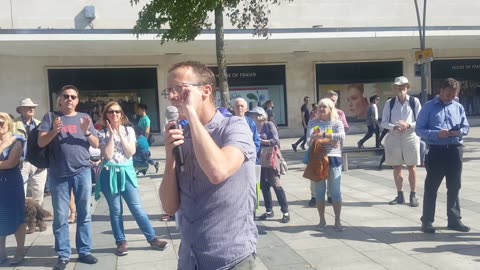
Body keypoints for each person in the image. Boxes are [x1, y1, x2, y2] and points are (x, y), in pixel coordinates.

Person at [160, 61, 258, 269]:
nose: (172, 96)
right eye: (168, 91)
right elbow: (169, 207)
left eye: (179, 89)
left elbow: (217, 171)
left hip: (230, 259)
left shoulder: (235, 127)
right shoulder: (181, 136)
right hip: (189, 259)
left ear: (205, 91)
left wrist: (192, 115)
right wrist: (170, 157)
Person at [38, 85, 99, 270]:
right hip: (58, 174)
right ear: (60, 99)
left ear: (78, 100)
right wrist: (54, 131)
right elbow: (41, 142)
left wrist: (87, 131)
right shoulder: (51, 117)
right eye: (66, 96)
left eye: (73, 96)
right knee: (61, 216)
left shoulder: (85, 118)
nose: (69, 99)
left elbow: (96, 144)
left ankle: (84, 251)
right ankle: (63, 254)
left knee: (84, 214)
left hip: (82, 172)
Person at [96, 101, 168, 256]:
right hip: (109, 173)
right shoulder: (101, 133)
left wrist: (120, 134)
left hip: (127, 172)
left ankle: (152, 238)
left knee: (137, 208)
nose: (114, 114)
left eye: (117, 112)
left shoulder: (129, 130)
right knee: (115, 210)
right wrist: (110, 136)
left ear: (121, 114)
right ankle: (121, 242)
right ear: (106, 115)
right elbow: (107, 155)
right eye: (110, 112)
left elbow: (130, 152)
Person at [416, 78, 471, 233]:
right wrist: (436, 134)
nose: (450, 98)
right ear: (440, 91)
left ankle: (454, 220)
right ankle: (427, 221)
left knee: (454, 186)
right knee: (432, 187)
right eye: (448, 94)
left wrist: (459, 131)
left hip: (454, 150)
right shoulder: (428, 107)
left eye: (453, 95)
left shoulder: (458, 107)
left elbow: (466, 126)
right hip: (436, 150)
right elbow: (419, 130)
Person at [380, 76, 422, 207]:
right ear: (395, 88)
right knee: (396, 167)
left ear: (408, 87)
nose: (401, 88)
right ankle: (400, 195)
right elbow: (384, 122)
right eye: (398, 86)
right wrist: (394, 127)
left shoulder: (414, 102)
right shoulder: (390, 103)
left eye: (404, 86)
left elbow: (420, 121)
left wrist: (408, 125)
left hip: (410, 136)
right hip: (394, 136)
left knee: (412, 166)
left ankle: (413, 195)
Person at [306, 99, 346, 231]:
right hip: (318, 160)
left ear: (330, 108)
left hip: (333, 159)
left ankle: (337, 220)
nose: (321, 109)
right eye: (320, 107)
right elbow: (309, 141)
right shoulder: (313, 122)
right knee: (319, 192)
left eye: (324, 107)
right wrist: (330, 140)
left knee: (335, 192)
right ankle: (322, 220)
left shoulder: (337, 122)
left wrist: (322, 136)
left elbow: (341, 137)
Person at [252, 106, 290, 223]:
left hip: (270, 158)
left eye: (253, 114)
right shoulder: (253, 127)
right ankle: (269, 210)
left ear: (260, 115)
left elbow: (275, 140)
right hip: (259, 159)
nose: (251, 116)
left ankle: (285, 212)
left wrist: (260, 141)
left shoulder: (269, 125)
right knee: (263, 185)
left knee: (276, 184)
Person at [0, 112, 27, 266]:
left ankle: (20, 250)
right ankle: (1, 252)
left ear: (9, 123)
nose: (0, 125)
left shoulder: (16, 141)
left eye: (2, 122)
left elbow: (11, 163)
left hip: (11, 184)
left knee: (17, 217)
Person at [13, 98, 48, 206]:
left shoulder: (40, 124)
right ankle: (22, 219)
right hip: (21, 163)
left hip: (37, 164)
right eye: (28, 107)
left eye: (33, 107)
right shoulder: (13, 125)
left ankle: (37, 218)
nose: (31, 109)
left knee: (39, 193)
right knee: (20, 193)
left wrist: (43, 161)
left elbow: (45, 144)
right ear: (21, 110)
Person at [136, 104, 159, 173]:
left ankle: (142, 168)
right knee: (142, 153)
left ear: (143, 110)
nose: (138, 111)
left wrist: (145, 140)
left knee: (143, 153)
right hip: (140, 139)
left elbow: (147, 131)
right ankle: (153, 164)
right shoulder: (140, 119)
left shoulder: (146, 119)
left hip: (144, 139)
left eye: (139, 109)